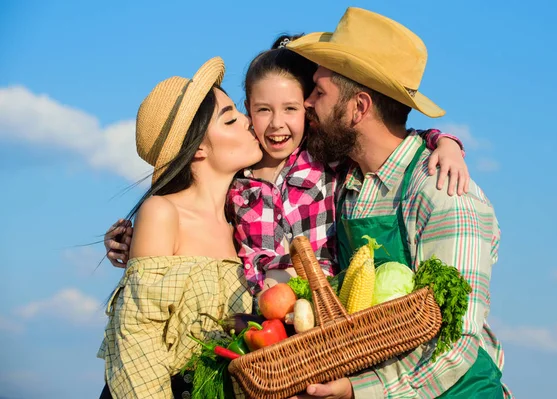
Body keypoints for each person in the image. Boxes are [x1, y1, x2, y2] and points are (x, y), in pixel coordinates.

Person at [282, 7, 512, 399]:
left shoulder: (443, 192)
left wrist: (359, 390)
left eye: (319, 92)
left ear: (359, 108)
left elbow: (455, 343)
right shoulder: (347, 183)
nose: (306, 102)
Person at [227, 35, 468, 297]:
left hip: (328, 312)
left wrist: (445, 142)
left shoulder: (320, 157)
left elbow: (391, 140)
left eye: (291, 108)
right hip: (266, 317)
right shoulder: (238, 183)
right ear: (248, 110)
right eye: (263, 110)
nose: (276, 123)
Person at [97, 57, 262, 398]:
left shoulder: (242, 221)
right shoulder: (162, 212)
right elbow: (138, 338)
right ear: (198, 148)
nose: (248, 121)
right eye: (230, 119)